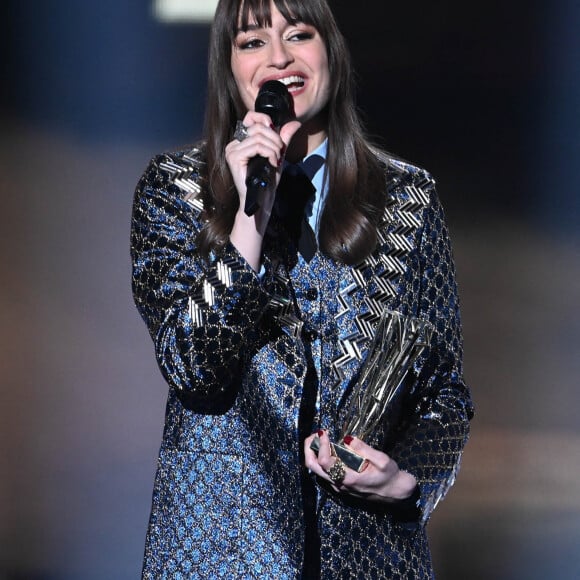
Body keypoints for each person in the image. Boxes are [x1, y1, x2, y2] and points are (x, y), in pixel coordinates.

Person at [131, 0, 474, 577]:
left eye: (298, 34)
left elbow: (443, 390)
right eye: (252, 42)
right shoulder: (175, 192)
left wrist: (406, 479)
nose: (279, 58)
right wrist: (249, 218)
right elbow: (193, 365)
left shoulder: (406, 200)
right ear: (229, 67)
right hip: (223, 554)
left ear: (330, 54)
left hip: (369, 555)